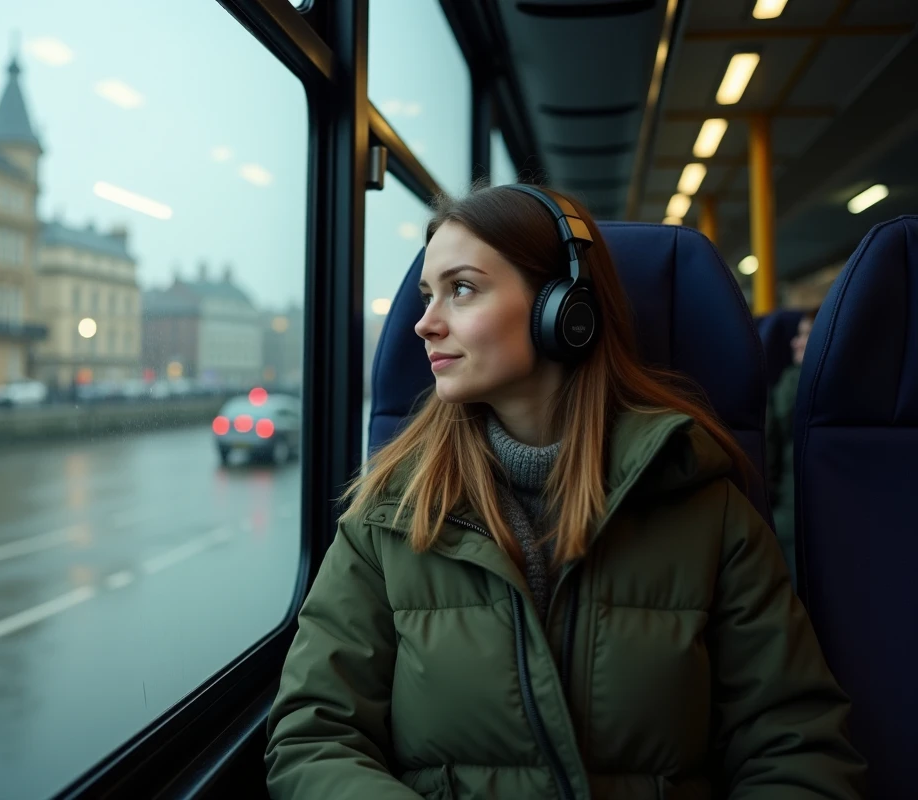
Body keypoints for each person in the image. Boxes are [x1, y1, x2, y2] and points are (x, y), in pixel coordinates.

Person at [264, 184, 864, 799]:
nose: (424, 323)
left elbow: (797, 746)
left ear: (564, 307)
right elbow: (314, 736)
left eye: (461, 289)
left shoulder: (703, 505)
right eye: (427, 296)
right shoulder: (389, 512)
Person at [765, 309, 817, 585]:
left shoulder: (793, 383)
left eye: (805, 334)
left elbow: (768, 454)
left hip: (792, 515)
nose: (795, 342)